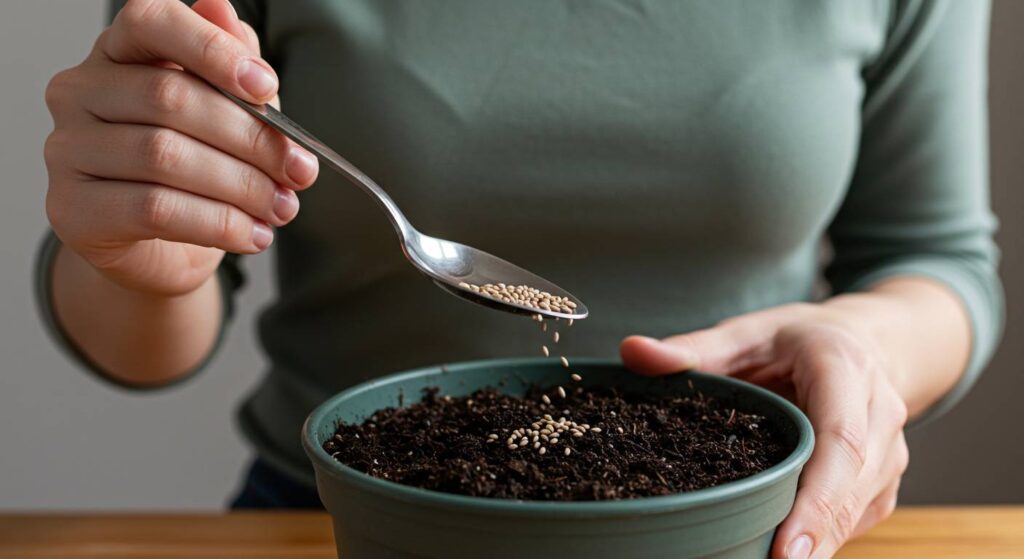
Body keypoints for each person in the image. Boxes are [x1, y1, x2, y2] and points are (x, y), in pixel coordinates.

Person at [38, 0, 1002, 557]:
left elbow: (938, 259)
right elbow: (145, 324)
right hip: (349, 526)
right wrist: (139, 260)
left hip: (738, 529)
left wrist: (865, 346)